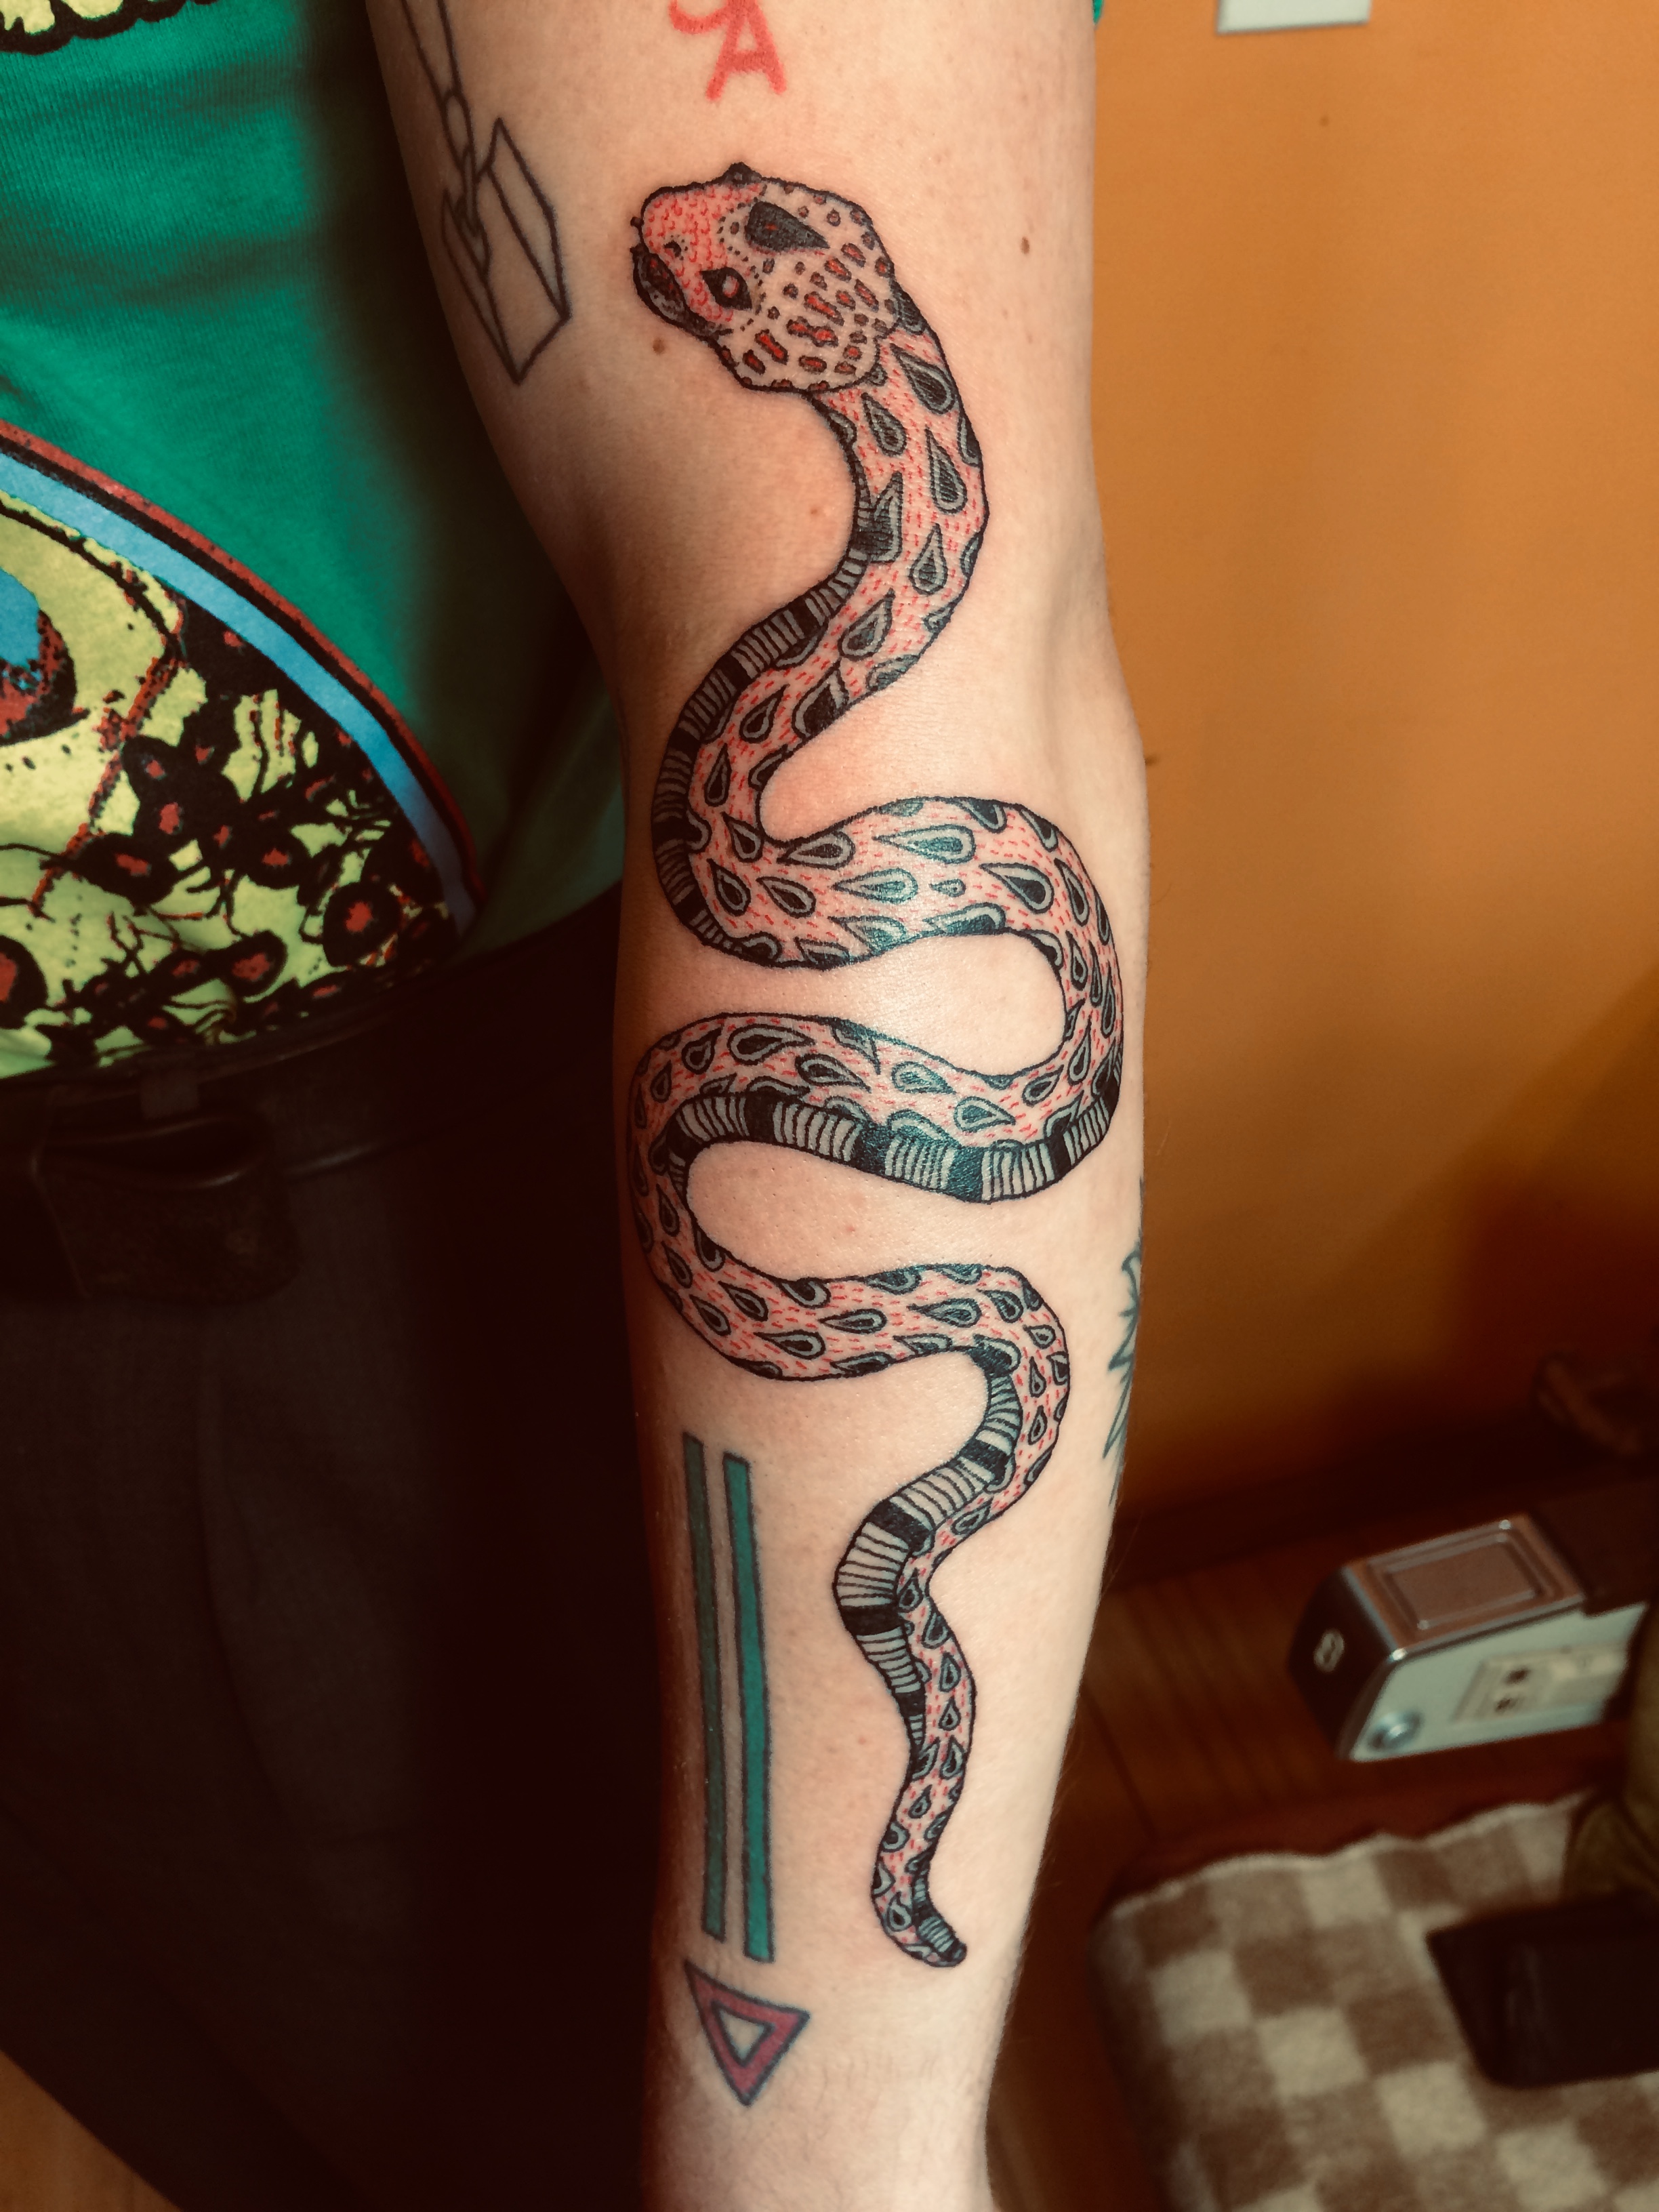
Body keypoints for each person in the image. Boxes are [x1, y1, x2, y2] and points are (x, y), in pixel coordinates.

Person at [0, 3, 1146, 2208]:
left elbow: (935, 714)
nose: (694, 261)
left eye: (733, 274)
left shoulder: (862, 648)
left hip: (315, 1246)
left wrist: (826, 2165)